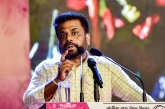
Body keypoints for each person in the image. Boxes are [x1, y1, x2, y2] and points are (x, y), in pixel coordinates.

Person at [23, 11, 155, 109]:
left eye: (74, 33)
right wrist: (56, 80)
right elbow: (29, 103)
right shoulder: (46, 68)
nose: (69, 38)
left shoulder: (105, 67)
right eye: (62, 35)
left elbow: (143, 100)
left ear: (87, 38)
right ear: (58, 41)